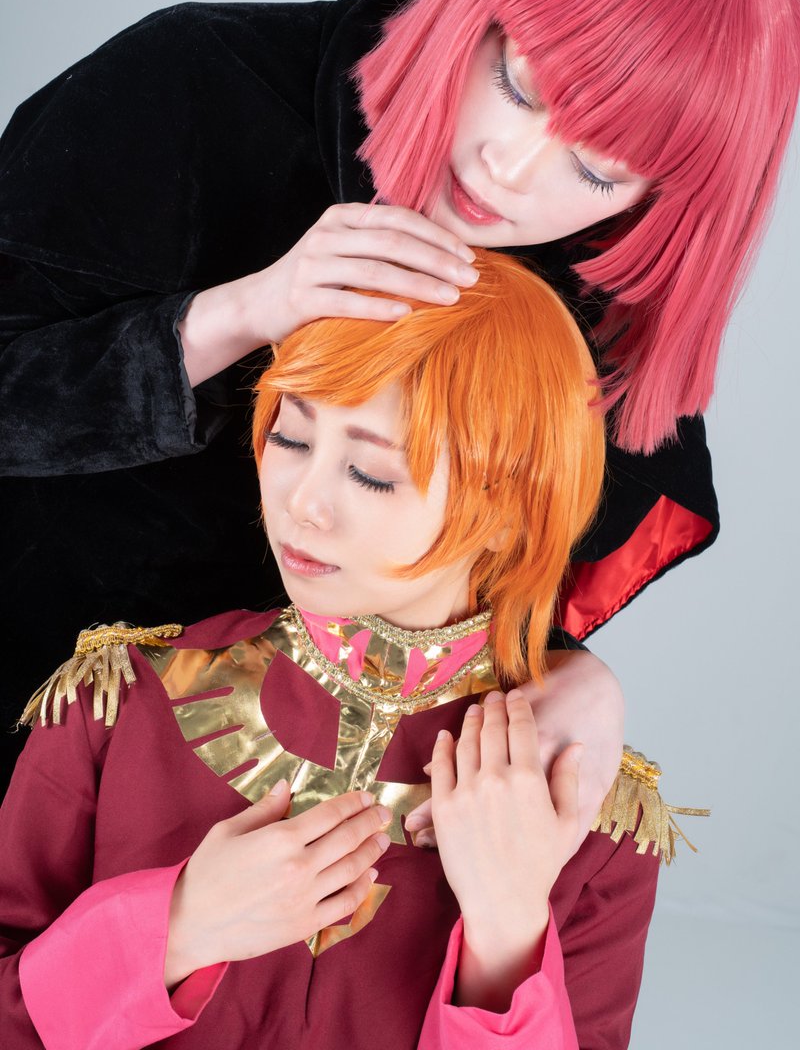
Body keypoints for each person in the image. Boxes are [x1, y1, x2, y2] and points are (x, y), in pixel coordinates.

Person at [1, 0, 798, 791]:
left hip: (269, 797)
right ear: (478, 6)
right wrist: (241, 313)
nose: (507, 170)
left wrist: (574, 671)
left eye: (595, 171)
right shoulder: (200, 80)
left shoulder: (595, 305)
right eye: (517, 87)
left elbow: (496, 601)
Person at [0, 251, 697, 1049]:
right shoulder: (117, 701)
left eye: (371, 474)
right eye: (290, 436)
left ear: (510, 511)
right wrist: (174, 931)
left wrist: (507, 930)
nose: (301, 503)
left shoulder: (585, 809)